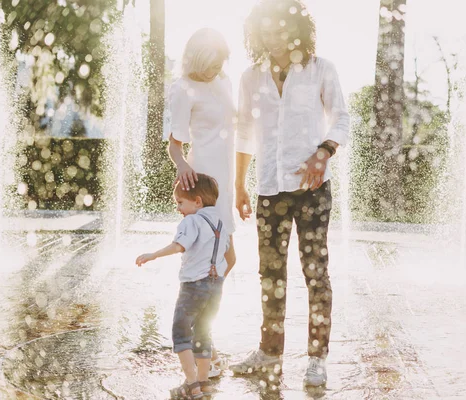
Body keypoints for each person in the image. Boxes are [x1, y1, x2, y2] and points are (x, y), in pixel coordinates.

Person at [229, 0, 350, 387]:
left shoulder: (320, 70)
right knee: (270, 273)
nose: (271, 34)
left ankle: (317, 358)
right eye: (263, 28)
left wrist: (323, 152)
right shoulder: (250, 77)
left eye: (278, 26)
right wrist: (239, 184)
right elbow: (244, 133)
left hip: (312, 189)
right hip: (268, 189)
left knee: (316, 273)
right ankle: (269, 352)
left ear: (295, 27)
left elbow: (342, 118)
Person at [166, 27, 236, 377]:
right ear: (196, 59)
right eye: (211, 63)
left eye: (220, 63)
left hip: (226, 178)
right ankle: (200, 341)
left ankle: (203, 336)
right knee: (214, 260)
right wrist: (182, 168)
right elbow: (174, 144)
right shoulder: (182, 88)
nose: (215, 69)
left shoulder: (224, 81)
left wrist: (240, 186)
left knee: (228, 259)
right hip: (204, 183)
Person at [136, 174, 230, 399]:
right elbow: (225, 252)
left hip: (193, 285)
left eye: (180, 202)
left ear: (197, 201)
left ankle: (191, 384)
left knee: (181, 333)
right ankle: (204, 383)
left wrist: (153, 255)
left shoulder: (192, 220)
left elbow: (179, 246)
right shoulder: (220, 223)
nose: (178, 208)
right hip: (216, 285)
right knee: (203, 332)